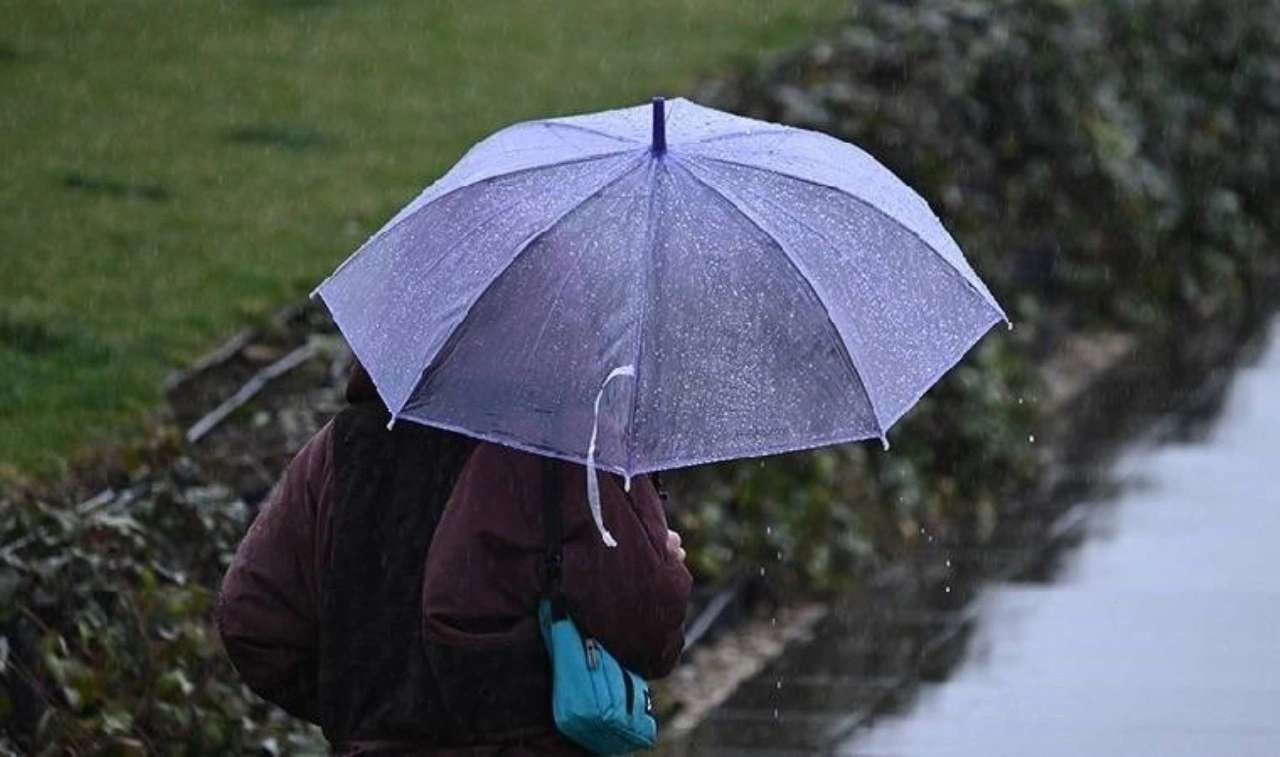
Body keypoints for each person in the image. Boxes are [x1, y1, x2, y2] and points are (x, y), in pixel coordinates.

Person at [217, 362, 692, 755]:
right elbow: (649, 629)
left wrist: (368, 711)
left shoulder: (346, 446)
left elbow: (254, 620)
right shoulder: (565, 447)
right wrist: (662, 562)